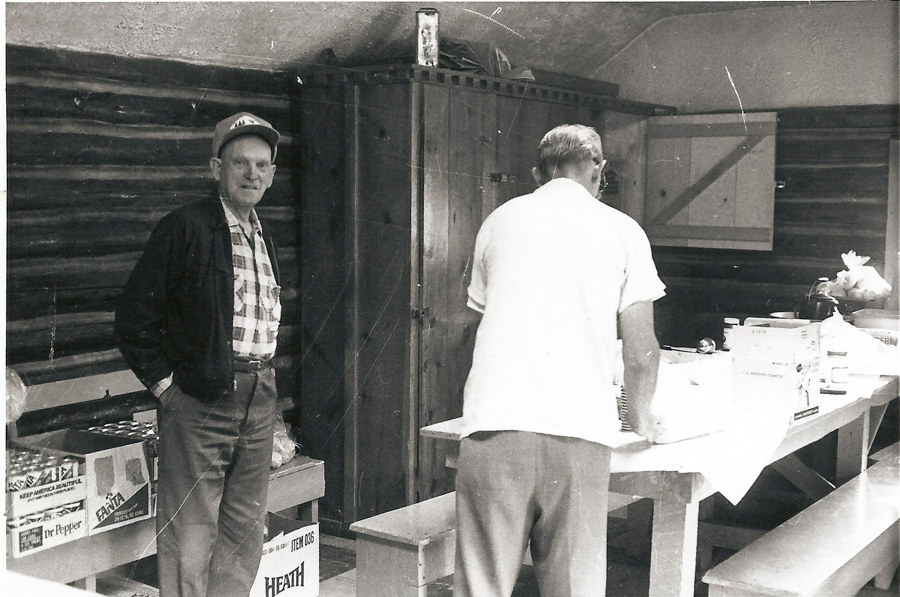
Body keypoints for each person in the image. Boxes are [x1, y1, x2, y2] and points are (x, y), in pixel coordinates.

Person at [453, 124, 667, 597]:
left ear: (538, 174)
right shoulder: (623, 230)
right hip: (579, 434)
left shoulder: (499, 221)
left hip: (494, 426)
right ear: (598, 171)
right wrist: (641, 417)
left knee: (481, 589)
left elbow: (478, 323)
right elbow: (641, 352)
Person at [115, 112, 283, 597]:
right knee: (190, 534)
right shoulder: (185, 227)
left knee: (244, 533)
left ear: (272, 174)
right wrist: (169, 391)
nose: (252, 174)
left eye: (262, 165)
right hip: (199, 402)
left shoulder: (262, 235)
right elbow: (133, 319)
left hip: (258, 397)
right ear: (216, 169)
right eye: (240, 163)